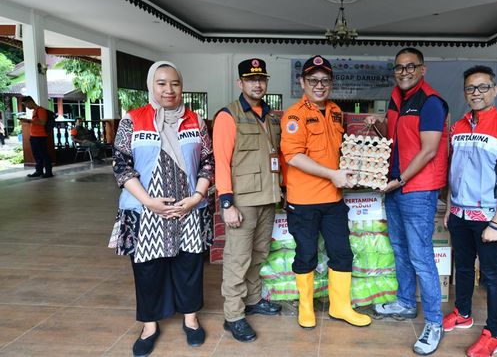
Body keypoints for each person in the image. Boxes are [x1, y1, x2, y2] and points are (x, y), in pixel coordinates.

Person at [109, 61, 214, 357]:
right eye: (162, 83)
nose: (169, 89)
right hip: (145, 209)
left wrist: (196, 196)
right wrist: (148, 201)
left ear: (182, 86)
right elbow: (121, 165)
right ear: (151, 86)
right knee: (147, 269)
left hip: (189, 207)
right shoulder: (133, 120)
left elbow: (208, 161)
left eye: (175, 83)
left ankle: (191, 319)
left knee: (189, 266)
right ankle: (149, 325)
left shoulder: (196, 121)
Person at [364, 47, 449, 355]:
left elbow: (428, 150)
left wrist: (399, 180)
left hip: (417, 189)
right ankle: (404, 301)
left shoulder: (431, 103)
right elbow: (398, 137)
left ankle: (434, 323)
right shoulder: (396, 97)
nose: (403, 72)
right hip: (396, 187)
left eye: (410, 67)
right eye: (399, 67)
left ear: (421, 70)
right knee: (399, 247)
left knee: (420, 256)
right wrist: (379, 126)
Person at [281, 55, 371, 329]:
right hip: (304, 201)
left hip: (333, 199)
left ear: (331, 83)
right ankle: (306, 307)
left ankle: (340, 307)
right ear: (302, 82)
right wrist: (333, 175)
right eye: (313, 80)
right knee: (306, 254)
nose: (319, 85)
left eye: (325, 80)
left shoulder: (334, 111)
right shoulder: (294, 115)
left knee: (342, 253)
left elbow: (339, 150)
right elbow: (293, 156)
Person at [443, 65, 497, 357]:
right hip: (460, 215)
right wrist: (450, 208)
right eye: (470, 88)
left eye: (482, 87)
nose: (475, 93)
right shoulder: (458, 127)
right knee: (462, 267)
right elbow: (456, 171)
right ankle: (463, 312)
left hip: (490, 217)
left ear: (495, 90)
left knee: (491, 276)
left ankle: (494, 334)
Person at [213, 58, 282, 343]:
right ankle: (233, 316)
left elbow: (276, 156)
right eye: (251, 79)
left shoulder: (270, 116)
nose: (257, 83)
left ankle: (253, 300)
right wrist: (227, 204)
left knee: (259, 254)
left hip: (268, 198)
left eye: (262, 79)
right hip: (242, 201)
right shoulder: (228, 115)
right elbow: (221, 162)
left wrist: (283, 190)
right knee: (237, 259)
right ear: (240, 83)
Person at [21, 96, 53, 178]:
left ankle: (48, 172)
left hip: (40, 136)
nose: (26, 107)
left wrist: (28, 121)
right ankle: (39, 171)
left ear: (30, 102)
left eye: (26, 105)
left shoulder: (41, 110)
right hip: (34, 136)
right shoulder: (34, 111)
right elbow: (36, 122)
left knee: (44, 154)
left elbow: (43, 122)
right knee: (37, 155)